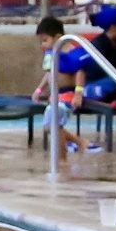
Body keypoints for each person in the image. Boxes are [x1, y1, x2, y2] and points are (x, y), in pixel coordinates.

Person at [32, 16, 87, 156]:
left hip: (68, 95)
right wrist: (39, 89)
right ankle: (79, 142)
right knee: (50, 125)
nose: (42, 45)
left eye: (45, 40)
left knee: (53, 124)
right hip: (55, 96)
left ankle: (62, 159)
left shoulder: (71, 52)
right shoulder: (51, 54)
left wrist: (78, 94)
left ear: (58, 37)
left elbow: (80, 73)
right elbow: (49, 74)